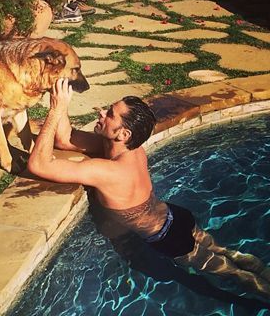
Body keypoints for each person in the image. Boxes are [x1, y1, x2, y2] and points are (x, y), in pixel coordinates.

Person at [27, 78, 270, 301]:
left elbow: (39, 164)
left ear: (123, 133)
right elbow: (65, 138)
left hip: (166, 237)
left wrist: (56, 110)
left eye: (109, 114)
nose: (101, 112)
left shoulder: (107, 171)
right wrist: (58, 101)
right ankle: (263, 271)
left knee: (233, 274)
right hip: (177, 216)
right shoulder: (130, 149)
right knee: (226, 253)